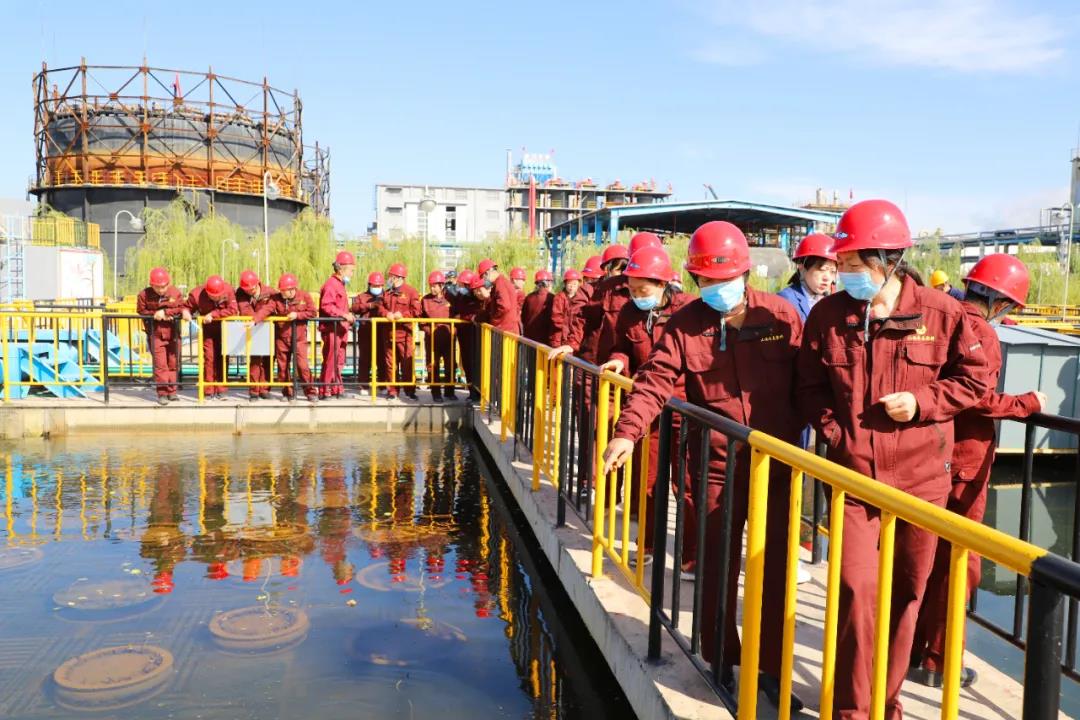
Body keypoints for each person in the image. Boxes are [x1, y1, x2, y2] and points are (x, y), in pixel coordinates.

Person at [796, 199, 989, 719]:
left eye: (856, 265)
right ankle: (853, 710)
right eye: (843, 265)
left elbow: (976, 380)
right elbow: (808, 387)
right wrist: (838, 434)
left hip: (922, 483)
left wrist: (923, 403)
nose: (845, 274)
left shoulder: (942, 314)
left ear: (891, 259)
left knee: (906, 596)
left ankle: (885, 700)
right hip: (856, 480)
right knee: (857, 590)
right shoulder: (828, 316)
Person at [601, 221, 805, 710]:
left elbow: (811, 383)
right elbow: (655, 381)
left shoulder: (779, 316)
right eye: (705, 282)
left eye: (724, 280)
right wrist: (627, 432)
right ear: (693, 281)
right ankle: (721, 659)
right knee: (716, 565)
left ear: (744, 272)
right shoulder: (686, 324)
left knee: (774, 569)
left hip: (776, 464)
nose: (715, 290)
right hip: (716, 463)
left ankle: (772, 669)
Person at [910, 254, 1045, 689]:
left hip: (926, 456)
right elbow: (976, 397)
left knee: (919, 556)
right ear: (1001, 302)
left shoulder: (936, 316)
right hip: (964, 463)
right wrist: (1027, 403)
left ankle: (908, 648)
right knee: (958, 562)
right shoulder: (980, 331)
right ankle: (937, 660)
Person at [598, 245, 694, 571]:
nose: (637, 295)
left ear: (664, 284)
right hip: (648, 407)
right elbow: (621, 347)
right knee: (649, 480)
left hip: (685, 408)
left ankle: (691, 557)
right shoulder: (628, 312)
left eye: (644, 289)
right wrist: (617, 360)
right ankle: (648, 545)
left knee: (687, 486)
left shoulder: (688, 310)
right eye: (632, 289)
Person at [776, 233, 838, 585]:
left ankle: (796, 548)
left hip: (812, 401)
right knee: (789, 478)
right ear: (803, 268)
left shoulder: (826, 303)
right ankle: (784, 555)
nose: (828, 277)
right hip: (792, 402)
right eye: (821, 269)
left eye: (833, 269)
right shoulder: (787, 303)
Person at [252, 273, 317, 402]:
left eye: (284, 291)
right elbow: (266, 310)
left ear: (292, 289)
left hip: (299, 338)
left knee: (302, 366)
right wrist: (255, 320)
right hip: (282, 338)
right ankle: (288, 393)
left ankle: (310, 392)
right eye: (281, 290)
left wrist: (298, 315)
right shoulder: (276, 299)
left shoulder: (304, 296)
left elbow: (313, 312)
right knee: (282, 368)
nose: (281, 293)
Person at [137, 267, 190, 404]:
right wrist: (155, 315)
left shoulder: (175, 292)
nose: (161, 290)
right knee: (161, 365)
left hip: (173, 333)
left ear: (168, 283)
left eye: (163, 286)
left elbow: (181, 307)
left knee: (173, 363)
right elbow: (141, 311)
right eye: (157, 287)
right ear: (152, 285)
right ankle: (162, 393)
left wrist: (167, 313)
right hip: (155, 334)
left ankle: (172, 392)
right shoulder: (144, 295)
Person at [186, 274, 239, 400]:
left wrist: (214, 314)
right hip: (208, 331)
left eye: (219, 296)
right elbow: (187, 307)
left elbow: (233, 309)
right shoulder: (196, 294)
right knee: (209, 359)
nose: (217, 298)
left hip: (225, 329)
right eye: (213, 296)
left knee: (223, 357)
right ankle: (208, 390)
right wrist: (185, 312)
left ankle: (222, 390)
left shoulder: (228, 290)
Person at [379, 263, 421, 400]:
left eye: (390, 276)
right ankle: (392, 391)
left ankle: (409, 390)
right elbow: (380, 307)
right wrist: (386, 314)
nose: (389, 279)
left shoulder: (411, 292)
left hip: (404, 334)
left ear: (398, 277)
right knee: (390, 364)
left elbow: (416, 311)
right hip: (388, 334)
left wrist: (403, 315)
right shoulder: (387, 292)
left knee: (407, 363)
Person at [318, 251, 356, 398]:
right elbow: (326, 306)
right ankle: (325, 390)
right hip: (332, 329)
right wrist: (344, 315)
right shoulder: (331, 285)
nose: (352, 273)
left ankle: (336, 389)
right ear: (342, 269)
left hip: (340, 329)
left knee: (339, 360)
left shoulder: (339, 285)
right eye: (351, 270)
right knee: (330, 360)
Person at [778, 233, 838, 321]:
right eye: (822, 269)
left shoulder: (830, 300)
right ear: (801, 268)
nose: (827, 278)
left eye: (832, 272)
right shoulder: (786, 300)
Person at [235, 269, 275, 401]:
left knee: (269, 360)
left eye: (251, 289)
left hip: (268, 330)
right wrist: (254, 320)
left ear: (258, 283)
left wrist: (256, 319)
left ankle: (265, 389)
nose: (249, 291)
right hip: (253, 331)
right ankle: (254, 391)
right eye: (247, 290)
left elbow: (269, 308)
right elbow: (244, 309)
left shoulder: (270, 293)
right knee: (255, 361)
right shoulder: (241, 293)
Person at [421, 270, 455, 402]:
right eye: (430, 285)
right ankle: (436, 393)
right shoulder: (425, 300)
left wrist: (454, 330)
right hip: (432, 339)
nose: (432, 288)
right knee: (432, 365)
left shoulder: (450, 299)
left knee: (451, 365)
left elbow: (457, 315)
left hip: (448, 338)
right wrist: (428, 329)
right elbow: (420, 319)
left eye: (435, 286)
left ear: (441, 286)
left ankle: (449, 392)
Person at [450, 269, 484, 401]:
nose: (460, 287)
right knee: (467, 365)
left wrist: (463, 316)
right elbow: (455, 311)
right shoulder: (460, 297)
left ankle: (480, 392)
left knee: (478, 365)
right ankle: (472, 393)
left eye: (463, 285)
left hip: (475, 336)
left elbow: (476, 315)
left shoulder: (478, 299)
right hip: (463, 336)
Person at [351, 271, 387, 389]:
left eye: (379, 286)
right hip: (365, 332)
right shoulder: (361, 297)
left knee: (382, 359)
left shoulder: (387, 296)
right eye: (374, 286)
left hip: (382, 332)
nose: (376, 288)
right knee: (365, 359)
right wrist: (370, 306)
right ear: (369, 285)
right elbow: (354, 308)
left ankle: (382, 385)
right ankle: (363, 384)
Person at [477, 258, 520, 333]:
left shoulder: (500, 283)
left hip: (505, 331)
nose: (483, 280)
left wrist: (493, 321)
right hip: (507, 330)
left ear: (487, 273)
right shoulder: (501, 282)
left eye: (482, 277)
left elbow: (504, 306)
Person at [549, 269, 585, 349]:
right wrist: (567, 330)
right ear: (565, 284)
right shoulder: (559, 297)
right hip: (559, 338)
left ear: (579, 284)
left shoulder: (581, 298)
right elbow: (556, 318)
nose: (572, 287)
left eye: (574, 284)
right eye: (569, 284)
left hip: (573, 339)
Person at [521, 270, 555, 344]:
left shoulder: (529, 297)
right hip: (545, 341)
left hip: (529, 338)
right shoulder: (553, 298)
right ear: (548, 284)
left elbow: (523, 318)